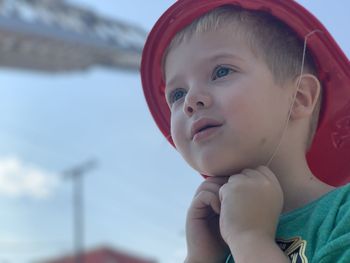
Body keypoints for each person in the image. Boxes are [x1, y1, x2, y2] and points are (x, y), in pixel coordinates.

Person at [140, 1, 350, 262]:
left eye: (221, 71)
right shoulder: (216, 242)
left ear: (299, 97)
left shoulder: (343, 215)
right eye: (177, 94)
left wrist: (250, 239)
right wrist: (201, 256)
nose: (191, 100)